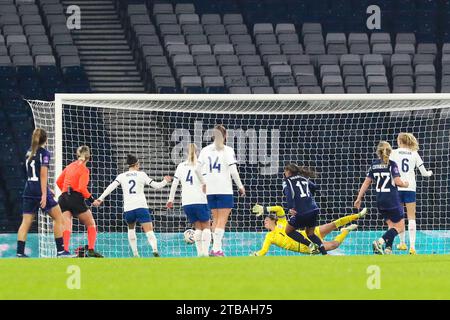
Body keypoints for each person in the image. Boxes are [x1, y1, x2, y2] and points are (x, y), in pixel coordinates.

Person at [96, 154, 171, 257]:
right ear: (136, 164)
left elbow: (111, 187)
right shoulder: (142, 174)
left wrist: (100, 198)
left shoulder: (121, 176)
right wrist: (165, 181)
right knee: (149, 231)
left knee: (131, 229)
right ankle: (154, 249)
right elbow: (157, 186)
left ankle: (135, 254)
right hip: (141, 207)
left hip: (128, 208)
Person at [17, 129, 72, 257]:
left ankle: (20, 253)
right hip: (39, 191)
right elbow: (42, 174)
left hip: (28, 189)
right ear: (46, 140)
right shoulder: (45, 154)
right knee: (59, 218)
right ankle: (60, 251)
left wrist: (47, 189)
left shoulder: (28, 152)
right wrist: (44, 193)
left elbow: (32, 174)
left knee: (25, 222)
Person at [354, 141, 409, 255]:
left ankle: (388, 249)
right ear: (390, 151)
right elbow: (398, 182)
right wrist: (405, 184)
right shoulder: (392, 164)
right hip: (392, 200)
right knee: (401, 227)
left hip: (380, 200)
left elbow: (366, 183)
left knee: (391, 226)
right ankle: (379, 242)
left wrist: (359, 198)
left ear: (378, 152)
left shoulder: (374, 165)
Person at [198, 125, 245, 257]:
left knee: (215, 219)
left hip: (210, 189)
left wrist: (203, 182)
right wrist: (240, 186)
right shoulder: (227, 150)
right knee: (222, 220)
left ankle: (213, 248)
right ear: (225, 136)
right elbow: (233, 171)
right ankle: (217, 249)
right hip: (224, 189)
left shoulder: (205, 150)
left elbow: (197, 169)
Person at [250, 204, 366, 256]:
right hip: (306, 247)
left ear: (273, 220)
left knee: (333, 224)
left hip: (309, 233)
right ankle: (345, 231)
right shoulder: (269, 237)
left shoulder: (281, 222)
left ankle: (358, 215)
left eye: (266, 219)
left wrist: (266, 208)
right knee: (334, 245)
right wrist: (255, 254)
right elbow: (263, 251)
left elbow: (279, 209)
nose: (264, 222)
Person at [56, 145, 103, 258]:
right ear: (88, 157)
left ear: (78, 155)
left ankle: (65, 252)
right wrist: (92, 200)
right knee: (90, 223)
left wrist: (65, 192)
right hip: (75, 198)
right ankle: (91, 249)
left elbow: (58, 181)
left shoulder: (70, 166)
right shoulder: (84, 170)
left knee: (67, 225)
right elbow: (82, 188)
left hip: (63, 198)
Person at [390, 132, 433, 255]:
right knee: (411, 217)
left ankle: (402, 243)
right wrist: (430, 173)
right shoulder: (414, 153)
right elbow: (424, 173)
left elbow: (389, 170)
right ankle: (412, 247)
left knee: (399, 217)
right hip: (410, 187)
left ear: (399, 141)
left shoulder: (393, 153)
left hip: (397, 187)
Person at [167, 144, 211, 257]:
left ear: (186, 152)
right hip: (200, 200)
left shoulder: (181, 166)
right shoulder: (201, 165)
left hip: (186, 202)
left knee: (197, 227)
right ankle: (205, 253)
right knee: (206, 226)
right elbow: (206, 182)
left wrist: (170, 199)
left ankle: (199, 253)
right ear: (197, 152)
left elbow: (174, 184)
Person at [283, 163, 327, 255]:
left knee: (288, 231)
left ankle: (310, 245)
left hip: (301, 212)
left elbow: (288, 194)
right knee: (310, 234)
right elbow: (315, 187)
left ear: (288, 171)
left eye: (285, 171)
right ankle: (324, 253)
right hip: (314, 209)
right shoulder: (304, 179)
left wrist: (290, 207)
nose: (284, 173)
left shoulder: (287, 181)